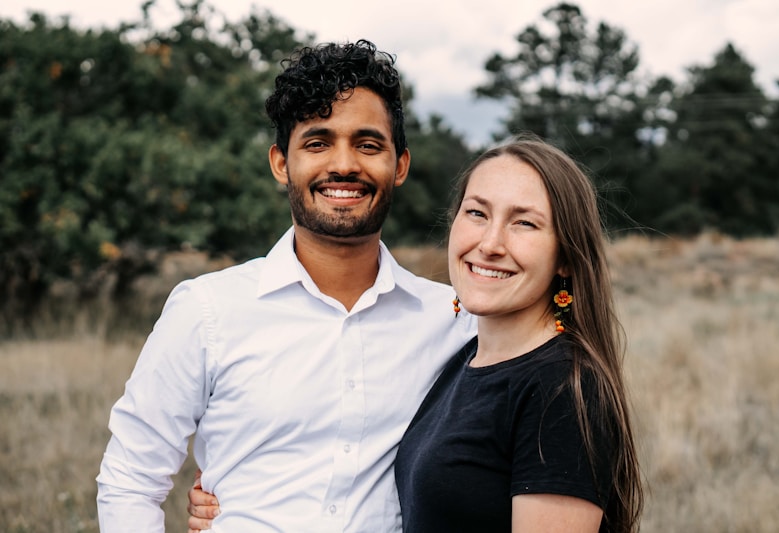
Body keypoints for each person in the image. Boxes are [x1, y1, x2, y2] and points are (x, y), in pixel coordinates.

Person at [96, 39, 476, 532]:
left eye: (368, 144)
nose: (344, 165)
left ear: (400, 165)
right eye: (318, 143)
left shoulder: (453, 320)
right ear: (281, 163)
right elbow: (131, 478)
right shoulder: (207, 309)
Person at [188, 136, 645, 532]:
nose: (490, 243)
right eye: (477, 213)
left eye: (524, 222)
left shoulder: (562, 389)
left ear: (566, 256)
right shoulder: (463, 358)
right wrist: (240, 503)